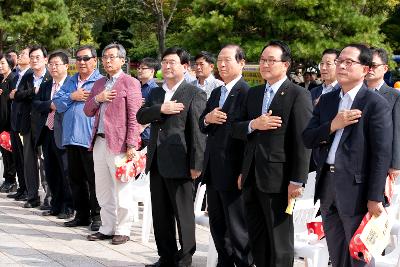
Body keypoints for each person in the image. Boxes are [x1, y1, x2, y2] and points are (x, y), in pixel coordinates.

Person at [302, 44, 392, 267]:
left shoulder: (375, 104)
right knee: (336, 251)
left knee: (357, 254)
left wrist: (375, 197)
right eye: (339, 61)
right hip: (327, 185)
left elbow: (381, 155)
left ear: (365, 69)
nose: (341, 65)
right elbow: (307, 138)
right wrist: (332, 125)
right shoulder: (328, 100)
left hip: (357, 189)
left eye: (349, 62)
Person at [232, 40, 312, 267]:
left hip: (279, 179)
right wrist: (254, 124)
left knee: (279, 240)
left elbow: (302, 141)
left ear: (285, 65)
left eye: (271, 60)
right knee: (257, 237)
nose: (265, 64)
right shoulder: (254, 93)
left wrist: (297, 180)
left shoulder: (298, 95)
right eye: (262, 60)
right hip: (251, 177)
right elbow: (236, 129)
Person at [137, 47, 206, 267]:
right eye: (164, 62)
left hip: (181, 162)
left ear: (185, 67)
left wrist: (196, 164)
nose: (167, 66)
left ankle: (185, 258)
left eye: (172, 62)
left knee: (183, 214)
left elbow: (197, 132)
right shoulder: (156, 92)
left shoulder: (194, 93)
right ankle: (165, 256)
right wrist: (161, 109)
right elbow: (141, 116)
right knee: (160, 213)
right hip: (156, 161)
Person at [199, 44, 253, 266]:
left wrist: (244, 171)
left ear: (241, 63)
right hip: (213, 169)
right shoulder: (216, 92)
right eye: (219, 60)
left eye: (227, 60)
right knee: (218, 227)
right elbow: (202, 124)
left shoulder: (247, 93)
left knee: (238, 229)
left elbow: (249, 136)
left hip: (234, 171)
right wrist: (207, 118)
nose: (222, 64)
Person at [84, 43, 142, 245]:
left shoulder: (130, 83)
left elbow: (135, 117)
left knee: (122, 188)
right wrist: (98, 99)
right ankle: (107, 227)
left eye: (112, 57)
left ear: (122, 60)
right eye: (105, 57)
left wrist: (132, 144)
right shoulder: (99, 84)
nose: (107, 61)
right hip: (99, 141)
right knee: (102, 188)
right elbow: (88, 110)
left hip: (120, 144)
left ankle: (123, 229)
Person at [53, 45, 102, 231]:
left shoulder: (100, 82)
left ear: (94, 60)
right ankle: (81, 215)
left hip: (90, 138)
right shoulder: (71, 81)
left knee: (94, 179)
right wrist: (73, 96)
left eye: (85, 58)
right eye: (79, 59)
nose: (81, 62)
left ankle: (97, 216)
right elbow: (57, 102)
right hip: (70, 137)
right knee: (75, 178)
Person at [32, 50, 73, 219]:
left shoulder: (71, 84)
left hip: (64, 133)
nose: (53, 67)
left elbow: (69, 103)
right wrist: (52, 104)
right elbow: (36, 104)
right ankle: (55, 204)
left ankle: (69, 206)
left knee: (66, 171)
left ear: (66, 66)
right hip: (47, 132)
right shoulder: (47, 84)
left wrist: (55, 104)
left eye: (57, 64)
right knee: (51, 170)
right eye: (51, 64)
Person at [14, 45, 51, 208]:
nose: (34, 60)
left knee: (45, 162)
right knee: (29, 161)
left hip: (45, 126)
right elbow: (17, 96)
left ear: (45, 59)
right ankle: (32, 196)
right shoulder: (28, 76)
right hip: (28, 124)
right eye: (32, 57)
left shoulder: (50, 77)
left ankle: (49, 197)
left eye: (37, 57)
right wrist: (32, 92)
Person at [365, 48, 400, 181]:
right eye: (366, 65)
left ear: (385, 68)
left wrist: (395, 164)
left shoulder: (394, 95)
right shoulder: (356, 93)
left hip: (381, 162)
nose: (369, 69)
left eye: (373, 65)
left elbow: (397, 131)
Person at [7, 47, 31, 200]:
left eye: (23, 54)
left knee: (26, 159)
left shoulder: (30, 75)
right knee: (17, 157)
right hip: (14, 121)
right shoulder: (16, 76)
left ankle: (29, 190)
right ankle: (22, 187)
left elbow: (30, 94)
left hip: (25, 122)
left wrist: (17, 95)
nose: (20, 56)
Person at [0, 53, 17, 193]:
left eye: (3, 63)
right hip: (1, 122)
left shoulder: (13, 78)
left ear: (10, 64)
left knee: (10, 152)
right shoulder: (2, 79)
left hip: (9, 122)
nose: (0, 66)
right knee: (4, 153)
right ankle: (7, 179)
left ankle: (11, 180)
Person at [137, 57, 160, 149]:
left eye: (143, 68)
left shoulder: (155, 89)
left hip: (147, 135)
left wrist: (142, 127)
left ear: (152, 71)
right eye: (139, 68)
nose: (139, 70)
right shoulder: (137, 86)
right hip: (135, 133)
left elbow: (156, 111)